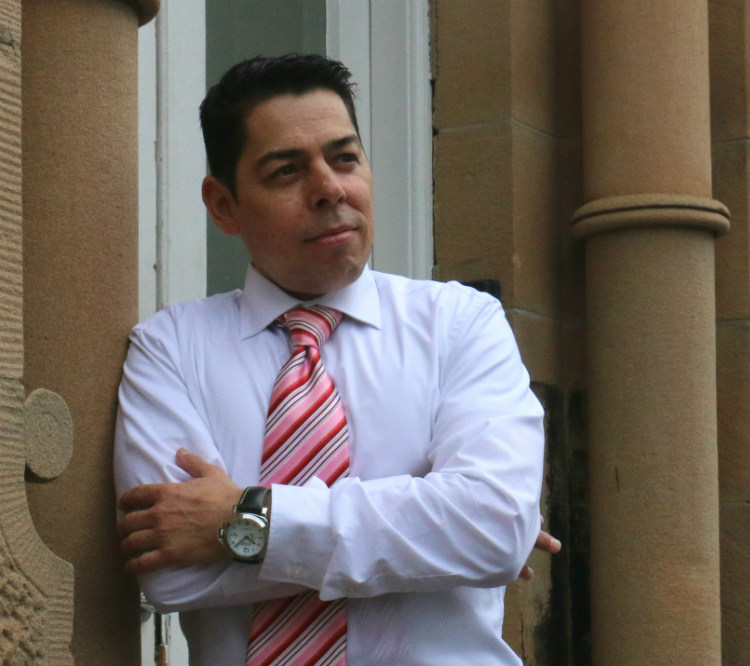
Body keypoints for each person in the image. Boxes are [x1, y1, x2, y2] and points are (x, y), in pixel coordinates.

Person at [114, 53, 556, 666]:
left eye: (345, 158)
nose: (329, 188)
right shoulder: (170, 349)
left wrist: (248, 519)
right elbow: (169, 575)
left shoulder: (460, 323)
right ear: (222, 205)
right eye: (286, 171)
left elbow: (493, 530)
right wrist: (426, 540)